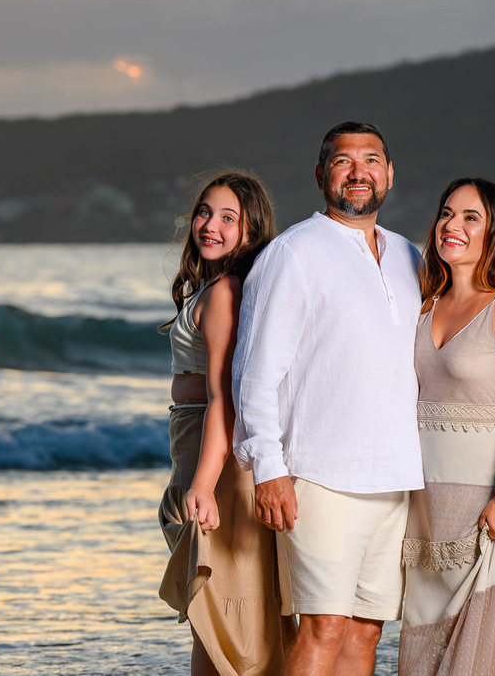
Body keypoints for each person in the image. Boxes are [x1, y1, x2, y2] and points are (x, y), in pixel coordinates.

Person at [232, 121, 423, 675]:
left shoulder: (409, 256)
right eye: (343, 161)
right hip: (319, 475)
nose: (358, 172)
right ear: (321, 175)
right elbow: (254, 372)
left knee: (366, 632)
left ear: (389, 174)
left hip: (395, 477)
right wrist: (268, 467)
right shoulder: (293, 253)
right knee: (324, 626)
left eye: (371, 160)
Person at [399, 177, 495, 676]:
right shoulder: (421, 305)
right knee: (425, 652)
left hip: (494, 509)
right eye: (446, 213)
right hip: (425, 512)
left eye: (470, 217)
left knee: (476, 658)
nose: (452, 225)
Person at [157, 171, 295, 676]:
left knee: (216, 606)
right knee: (213, 608)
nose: (210, 225)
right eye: (204, 212)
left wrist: (204, 483)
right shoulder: (212, 287)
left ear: (251, 230)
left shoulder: (224, 293)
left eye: (228, 218)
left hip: (210, 452)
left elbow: (225, 398)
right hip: (195, 441)